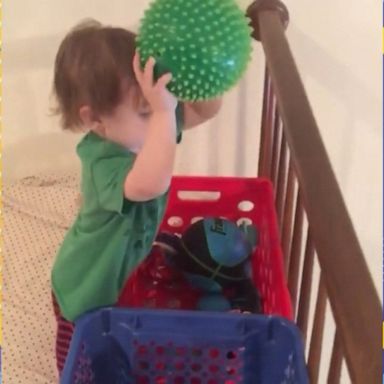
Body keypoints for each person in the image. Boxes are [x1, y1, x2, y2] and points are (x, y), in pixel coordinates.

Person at [50, 19, 222, 375]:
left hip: (120, 272)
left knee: (120, 347)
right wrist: (160, 113)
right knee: (85, 361)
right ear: (95, 119)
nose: (164, 116)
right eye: (146, 111)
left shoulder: (149, 127)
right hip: (85, 289)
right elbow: (151, 183)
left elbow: (205, 110)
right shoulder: (103, 162)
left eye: (160, 106)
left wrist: (201, 68)